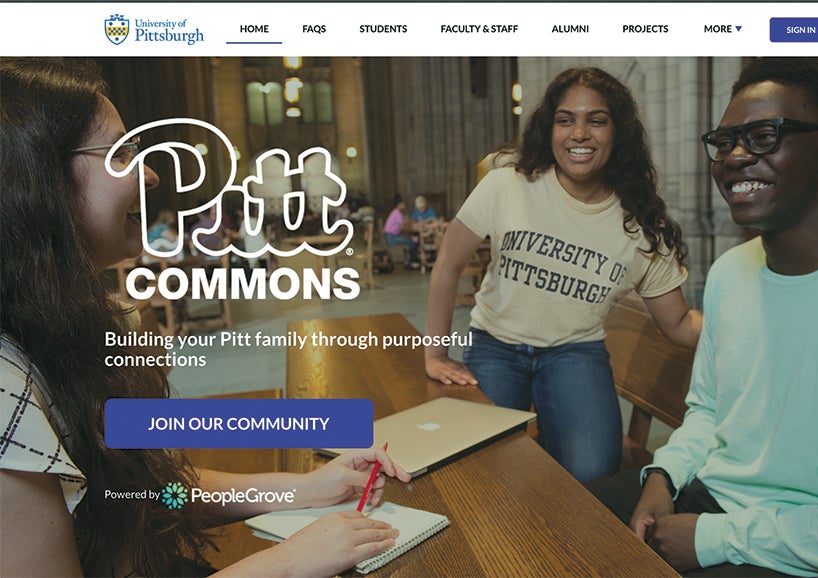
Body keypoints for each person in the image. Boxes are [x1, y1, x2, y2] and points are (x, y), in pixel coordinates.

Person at [0, 58, 411, 577]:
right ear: (39, 180)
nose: (149, 173)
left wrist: (307, 487)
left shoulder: (63, 321)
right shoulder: (6, 390)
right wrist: (287, 563)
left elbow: (145, 497)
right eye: (123, 151)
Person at [587, 58, 818, 576]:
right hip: (708, 492)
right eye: (725, 140)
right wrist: (662, 477)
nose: (733, 156)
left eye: (761, 136)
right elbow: (710, 410)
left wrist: (719, 538)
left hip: (802, 542)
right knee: (551, 520)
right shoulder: (732, 272)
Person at [424, 67, 701, 483]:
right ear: (549, 128)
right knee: (480, 469)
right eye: (565, 119)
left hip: (575, 353)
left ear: (618, 132)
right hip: (496, 346)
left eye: (596, 120)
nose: (579, 134)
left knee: (592, 473)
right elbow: (447, 264)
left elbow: (678, 322)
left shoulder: (640, 224)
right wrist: (435, 353)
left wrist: (745, 331)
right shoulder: (508, 185)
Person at [383, 194, 420, 268]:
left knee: (410, 239)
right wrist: (413, 228)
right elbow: (403, 227)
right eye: (403, 203)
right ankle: (412, 261)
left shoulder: (395, 212)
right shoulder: (397, 213)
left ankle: (409, 261)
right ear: (399, 204)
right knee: (411, 241)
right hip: (391, 238)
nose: (404, 205)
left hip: (389, 236)